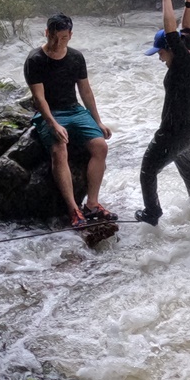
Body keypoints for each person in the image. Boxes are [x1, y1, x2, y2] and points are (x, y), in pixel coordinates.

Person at [23, 13, 114, 228]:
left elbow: (85, 91)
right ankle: (74, 209)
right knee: (59, 149)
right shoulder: (35, 60)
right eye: (53, 37)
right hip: (50, 113)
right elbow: (39, 98)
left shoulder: (76, 57)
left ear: (70, 36)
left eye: (63, 38)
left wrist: (97, 121)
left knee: (100, 146)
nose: (57, 42)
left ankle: (92, 204)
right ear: (46, 33)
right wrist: (53, 124)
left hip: (75, 110)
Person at [135, 0, 190, 227]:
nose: (159, 58)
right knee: (188, 168)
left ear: (171, 50)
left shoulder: (182, 64)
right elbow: (186, 30)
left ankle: (152, 214)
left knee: (148, 171)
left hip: (174, 133)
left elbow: (172, 32)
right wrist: (189, 0)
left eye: (160, 52)